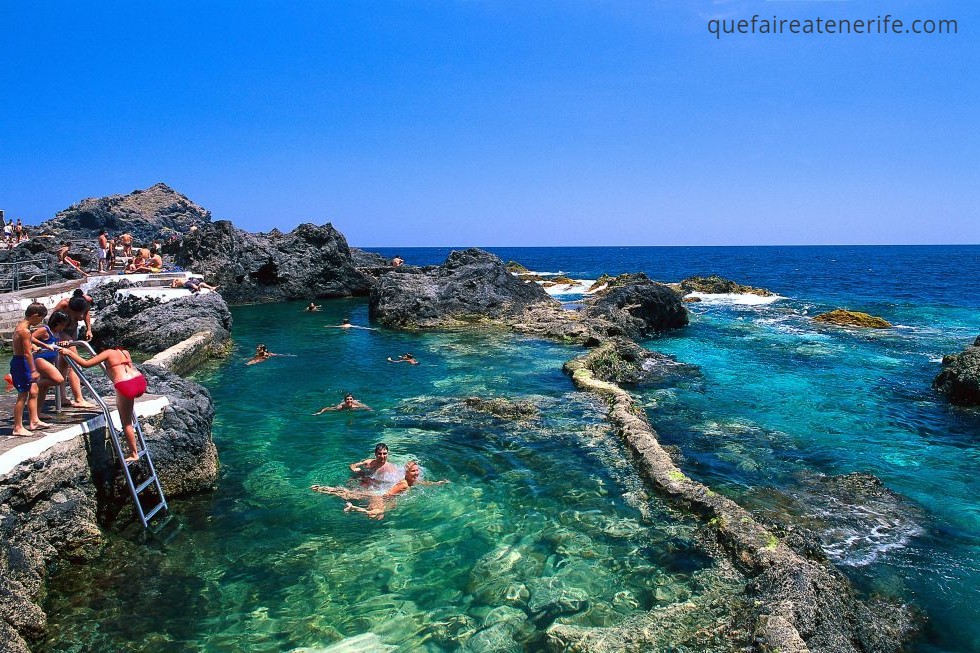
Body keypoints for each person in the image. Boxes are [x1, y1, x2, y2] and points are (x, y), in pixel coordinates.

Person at [57, 339, 147, 462]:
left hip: (125, 385)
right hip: (138, 381)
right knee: (128, 413)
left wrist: (69, 353)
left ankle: (134, 453)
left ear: (102, 348)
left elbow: (86, 364)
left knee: (126, 423)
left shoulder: (108, 352)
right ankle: (135, 450)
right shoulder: (124, 351)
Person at [311, 461, 448, 520]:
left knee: (350, 494)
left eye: (417, 470)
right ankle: (324, 490)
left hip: (381, 493)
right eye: (413, 471)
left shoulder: (412, 480)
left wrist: (437, 483)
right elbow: (387, 494)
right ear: (406, 472)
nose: (417, 473)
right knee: (374, 512)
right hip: (379, 495)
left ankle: (325, 490)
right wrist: (383, 504)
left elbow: (422, 482)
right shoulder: (404, 484)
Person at [8, 303, 50, 435]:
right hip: (22, 363)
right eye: (40, 319)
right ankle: (18, 427)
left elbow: (27, 341)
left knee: (34, 390)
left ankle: (34, 421)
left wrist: (40, 346)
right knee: (23, 395)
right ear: (35, 316)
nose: (40, 322)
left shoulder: (22, 326)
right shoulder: (24, 330)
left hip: (20, 361)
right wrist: (33, 370)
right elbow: (26, 353)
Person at [51, 291, 96, 408]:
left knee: (63, 365)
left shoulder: (85, 301)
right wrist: (57, 338)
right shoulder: (63, 305)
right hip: (62, 332)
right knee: (75, 364)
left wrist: (88, 329)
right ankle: (78, 399)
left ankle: (61, 397)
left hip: (73, 330)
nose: (80, 316)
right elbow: (52, 322)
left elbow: (86, 313)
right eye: (77, 314)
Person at [30, 311, 69, 415]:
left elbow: (55, 344)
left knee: (44, 388)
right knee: (59, 380)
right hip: (40, 359)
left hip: (49, 360)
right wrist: (39, 346)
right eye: (62, 325)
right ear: (56, 322)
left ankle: (36, 414)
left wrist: (63, 343)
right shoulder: (45, 330)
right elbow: (30, 338)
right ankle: (34, 384)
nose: (63, 328)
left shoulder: (57, 333)